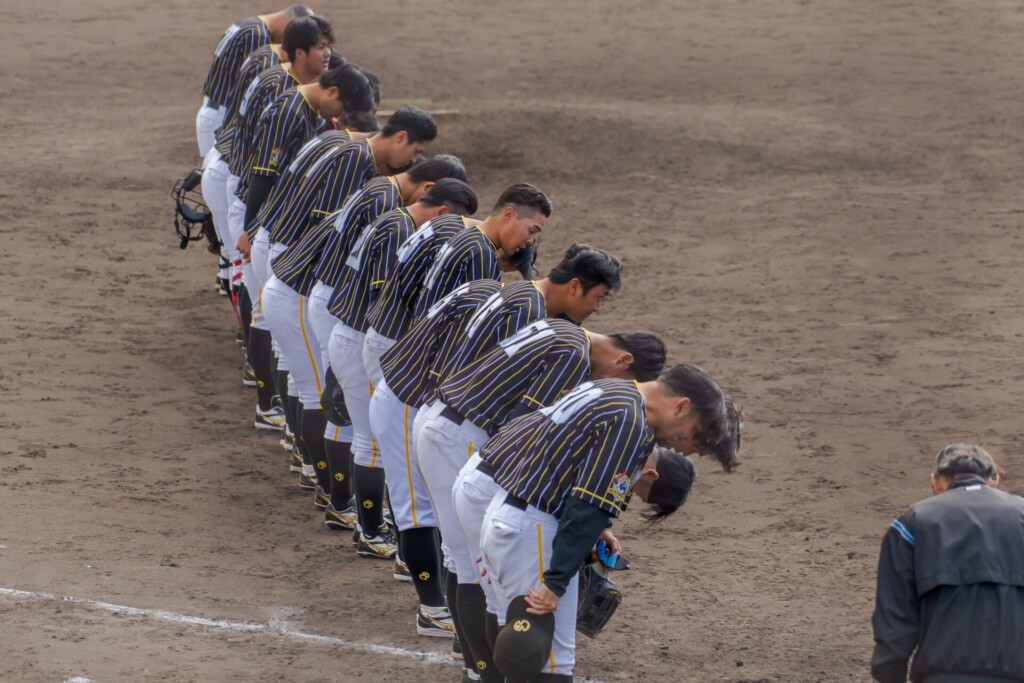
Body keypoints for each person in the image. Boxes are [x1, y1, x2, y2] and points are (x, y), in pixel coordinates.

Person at [475, 365, 739, 681]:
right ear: (680, 406)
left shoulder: (613, 390)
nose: (680, 446)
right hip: (533, 530)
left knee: (519, 647)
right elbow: (588, 506)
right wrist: (556, 582)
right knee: (550, 662)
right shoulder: (631, 422)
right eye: (691, 434)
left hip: (509, 512)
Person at [441, 323, 666, 681]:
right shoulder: (617, 406)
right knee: (527, 628)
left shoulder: (599, 388)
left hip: (491, 481)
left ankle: (482, 673)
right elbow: (574, 494)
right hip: (496, 489)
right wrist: (557, 578)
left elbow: (564, 468)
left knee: (497, 603)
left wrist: (597, 528)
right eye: (639, 492)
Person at [871, 443, 1024, 683]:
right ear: (993, 479)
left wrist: (888, 674)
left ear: (936, 482)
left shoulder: (914, 522)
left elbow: (896, 616)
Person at [413, 183, 551, 317]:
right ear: (509, 215)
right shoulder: (482, 254)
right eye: (531, 230)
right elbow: (474, 324)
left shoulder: (465, 236)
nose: (531, 241)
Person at [196, 4, 313, 156]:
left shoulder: (248, 24)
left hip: (213, 109)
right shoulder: (257, 36)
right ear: (289, 27)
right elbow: (260, 84)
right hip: (219, 117)